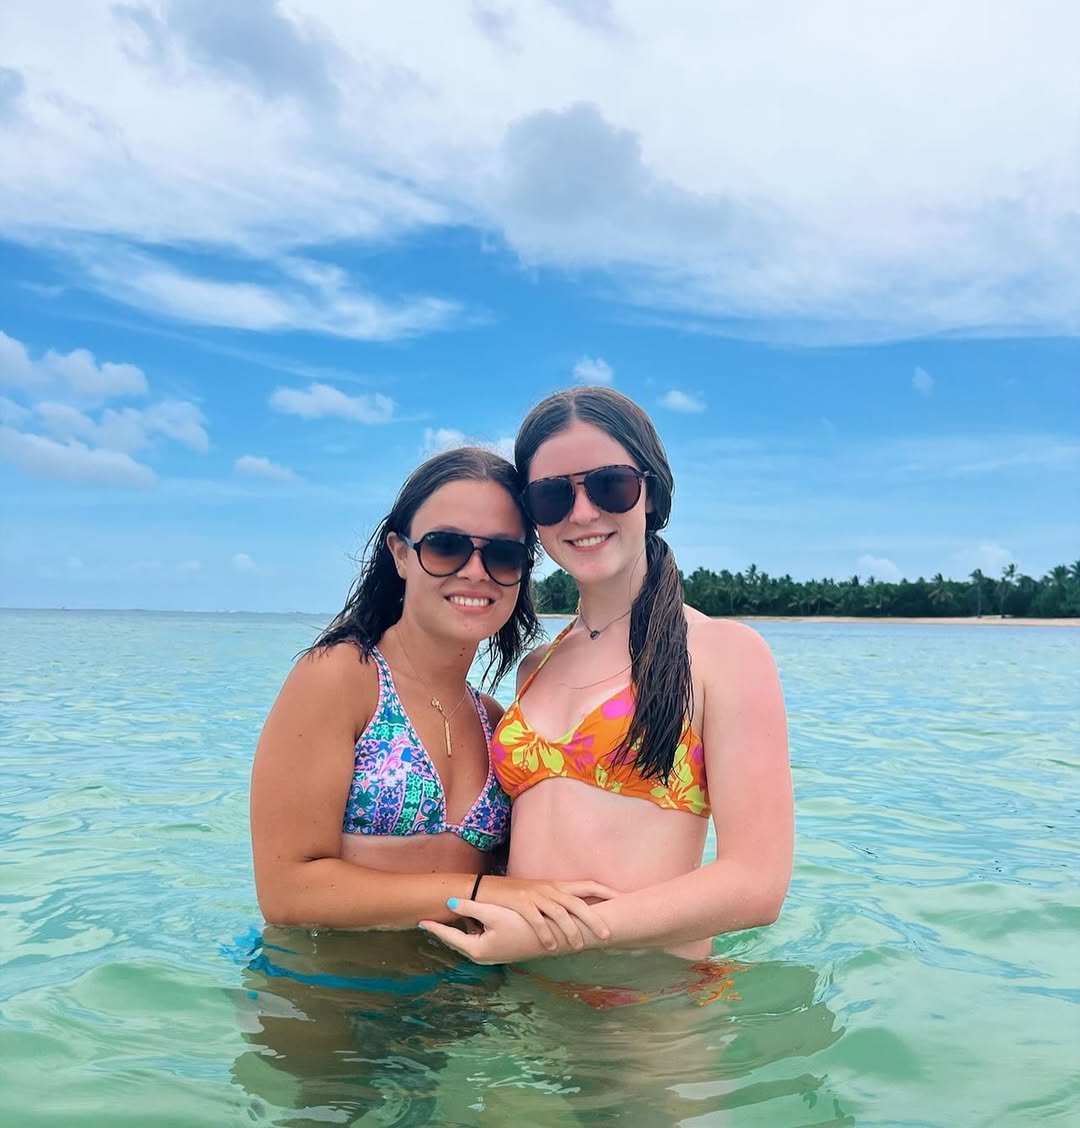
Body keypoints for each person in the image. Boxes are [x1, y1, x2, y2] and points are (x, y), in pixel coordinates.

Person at [420, 388, 794, 964]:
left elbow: (757, 884)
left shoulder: (723, 653)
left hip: (650, 1001)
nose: (582, 513)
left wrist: (556, 934)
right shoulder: (536, 667)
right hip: (523, 992)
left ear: (651, 491)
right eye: (552, 496)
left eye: (609, 485)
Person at [249, 447, 615, 951]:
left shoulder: (495, 722)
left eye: (503, 554)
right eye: (446, 546)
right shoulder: (341, 678)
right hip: (328, 988)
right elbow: (287, 892)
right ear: (400, 554)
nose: (476, 571)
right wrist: (481, 892)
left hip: (463, 991)